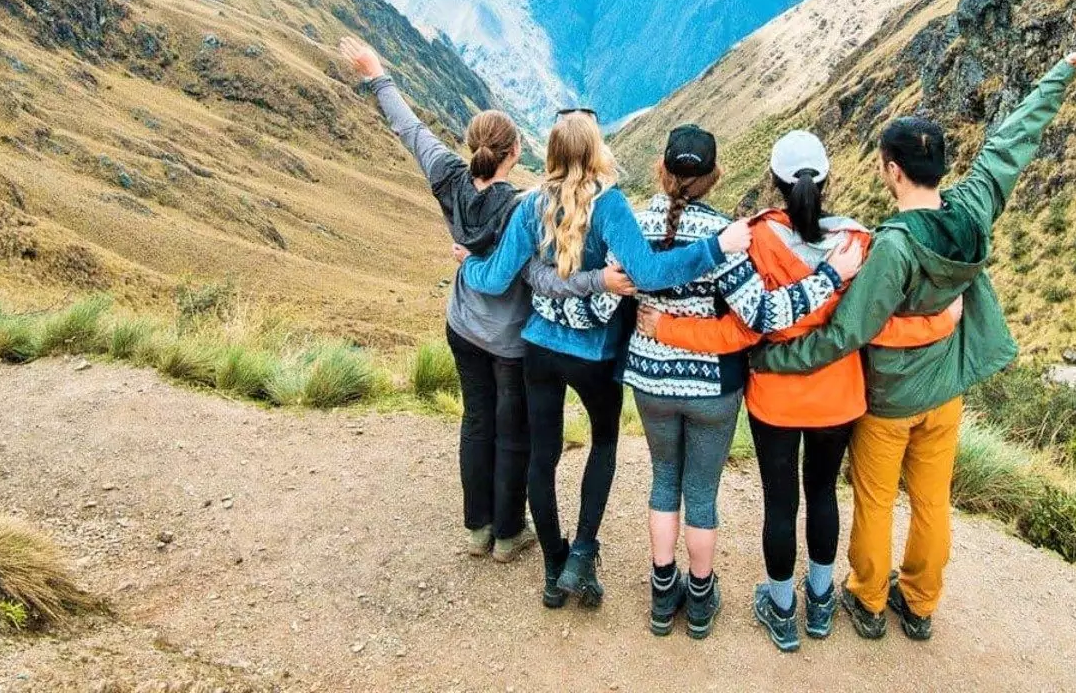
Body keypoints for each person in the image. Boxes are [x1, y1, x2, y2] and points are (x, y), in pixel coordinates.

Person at [752, 51, 1076, 644]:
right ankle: (920, 602)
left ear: (891, 171)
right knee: (932, 502)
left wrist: (775, 358)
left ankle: (869, 599)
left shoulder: (893, 247)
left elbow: (845, 333)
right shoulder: (972, 210)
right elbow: (1008, 149)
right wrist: (1062, 71)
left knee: (876, 500)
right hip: (946, 394)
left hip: (890, 399)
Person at [637, 129, 958, 652]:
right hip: (839, 396)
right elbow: (873, 324)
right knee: (824, 493)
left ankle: (783, 607)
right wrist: (941, 322)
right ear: (827, 180)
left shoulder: (756, 239)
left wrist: (666, 328)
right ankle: (822, 601)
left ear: (774, 181)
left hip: (775, 399)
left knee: (780, 502)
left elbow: (743, 328)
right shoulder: (858, 243)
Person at [534, 124, 856, 639]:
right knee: (701, 495)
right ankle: (701, 599)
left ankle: (663, 594)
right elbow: (763, 315)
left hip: (650, 380)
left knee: (664, 482)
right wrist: (829, 278)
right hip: (712, 387)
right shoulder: (729, 236)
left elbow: (608, 299)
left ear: (661, 170)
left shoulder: (633, 225)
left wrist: (554, 306)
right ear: (715, 176)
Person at [336, 37, 632, 564]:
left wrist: (376, 74)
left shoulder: (448, 178)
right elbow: (554, 257)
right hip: (511, 337)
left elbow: (410, 129)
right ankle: (508, 534)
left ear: (471, 145)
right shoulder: (524, 206)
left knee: (476, 420)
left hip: (463, 325)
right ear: (515, 153)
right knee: (513, 430)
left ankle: (478, 528)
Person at [460, 109, 753, 609]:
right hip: (594, 352)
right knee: (603, 444)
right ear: (596, 150)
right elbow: (650, 274)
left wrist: (469, 264)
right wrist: (714, 249)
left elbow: (494, 279)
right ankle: (582, 552)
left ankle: (553, 568)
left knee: (542, 455)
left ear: (551, 152)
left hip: (540, 348)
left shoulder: (531, 204)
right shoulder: (610, 204)